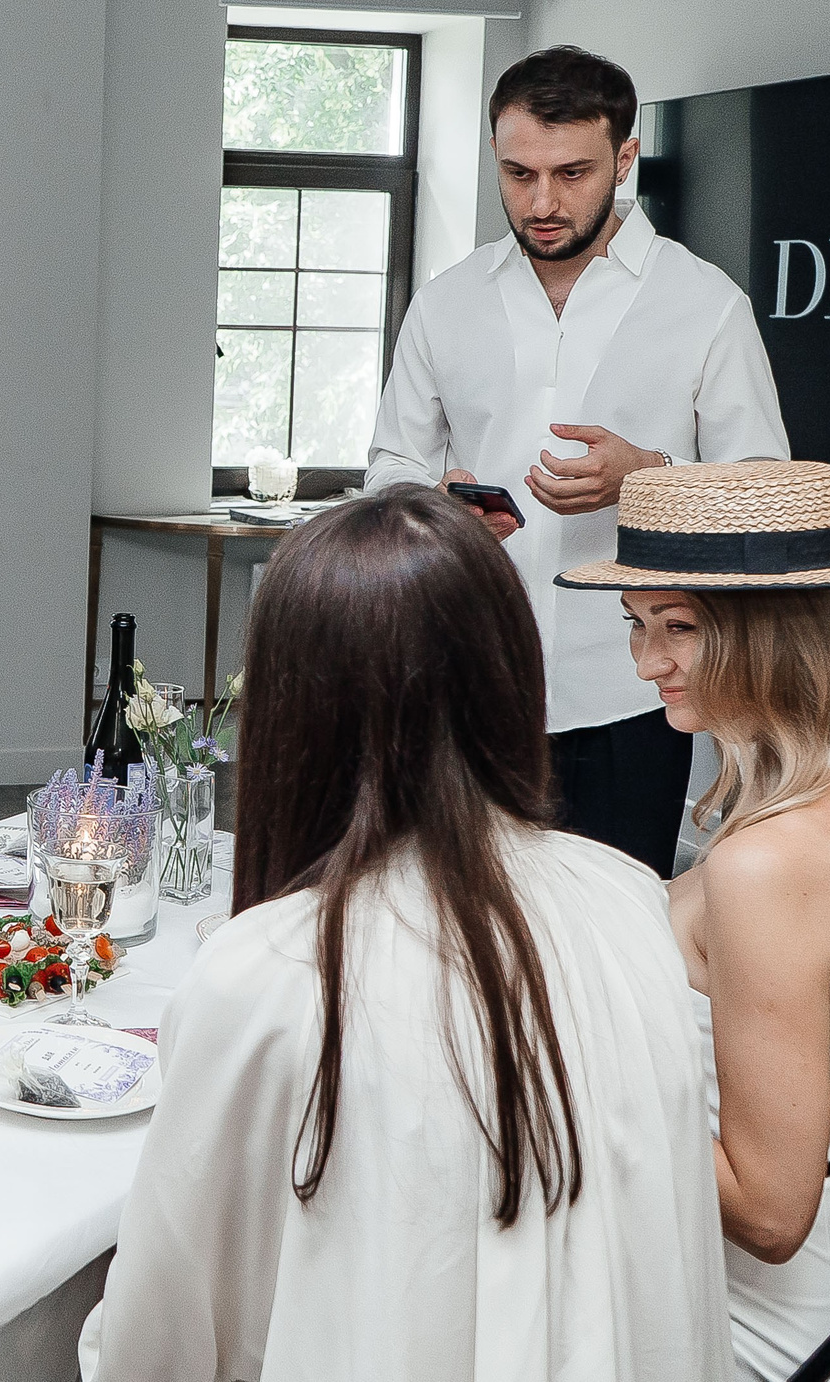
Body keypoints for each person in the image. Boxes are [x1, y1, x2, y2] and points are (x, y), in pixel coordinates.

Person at [82, 487, 730, 1382]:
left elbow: (158, 1349)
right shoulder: (629, 898)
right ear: (512, 681)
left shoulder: (272, 975)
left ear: (291, 714)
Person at [366, 44, 789, 878]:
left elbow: (766, 496)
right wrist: (430, 504)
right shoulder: (446, 303)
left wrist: (649, 478)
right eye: (519, 173)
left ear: (625, 158)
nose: (542, 201)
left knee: (616, 941)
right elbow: (387, 467)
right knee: (458, 927)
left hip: (633, 692)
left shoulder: (707, 305)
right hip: (469, 675)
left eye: (572, 173)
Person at [559, 461, 830, 1382]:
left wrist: (564, 1084)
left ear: (776, 630)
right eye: (637, 625)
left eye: (679, 627)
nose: (647, 663)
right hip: (794, 1288)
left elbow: (768, 1212)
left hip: (738, 1334)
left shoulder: (771, 862)